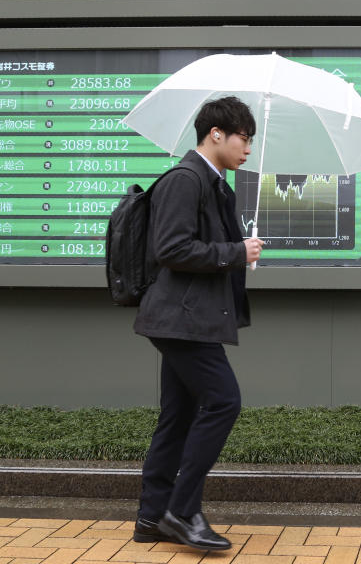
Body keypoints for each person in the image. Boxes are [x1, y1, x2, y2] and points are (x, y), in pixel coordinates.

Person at [131, 96, 264, 551]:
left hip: (186, 319)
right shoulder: (186, 180)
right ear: (216, 135)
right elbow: (171, 248)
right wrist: (234, 252)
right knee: (224, 402)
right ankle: (181, 511)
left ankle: (151, 517)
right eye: (244, 139)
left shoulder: (214, 182)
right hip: (180, 319)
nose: (248, 149)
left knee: (178, 416)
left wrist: (235, 248)